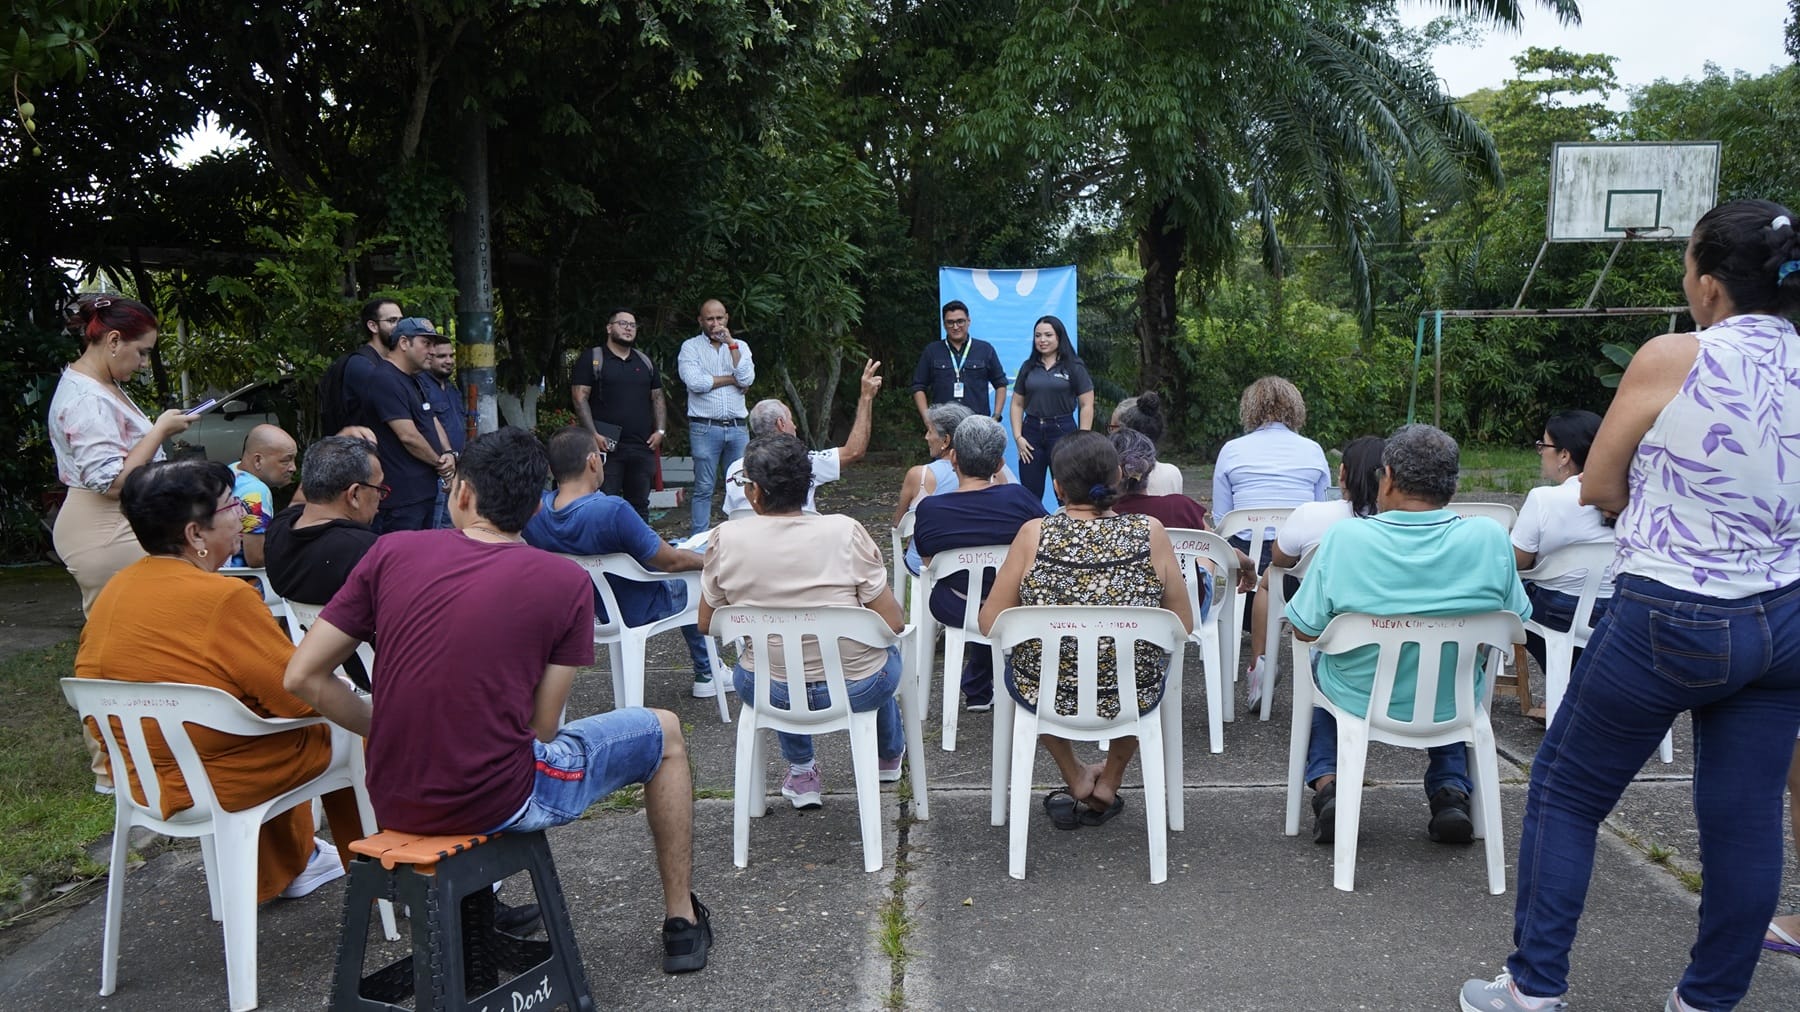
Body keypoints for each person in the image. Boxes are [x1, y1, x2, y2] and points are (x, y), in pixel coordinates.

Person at [1461, 200, 1800, 1012]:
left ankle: (1533, 986)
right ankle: (1706, 1000)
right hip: (1784, 620)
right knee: (1746, 819)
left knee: (1568, 791)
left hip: (1672, 610)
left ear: (1711, 286)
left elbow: (1600, 485)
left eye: (1687, 265)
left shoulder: (1674, 356)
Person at [285, 427, 711, 974]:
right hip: (497, 798)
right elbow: (543, 729)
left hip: (393, 795)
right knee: (666, 732)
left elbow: (302, 676)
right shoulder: (562, 582)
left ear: (461, 493)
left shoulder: (390, 552)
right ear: (535, 505)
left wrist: (384, 723)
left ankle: (480, 917)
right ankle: (681, 921)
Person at [78, 458, 359, 903]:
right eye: (233, 507)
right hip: (222, 776)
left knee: (247, 717)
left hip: (145, 777)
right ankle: (390, 871)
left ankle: (291, 862)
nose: (244, 516)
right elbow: (297, 696)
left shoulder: (117, 589)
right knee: (349, 727)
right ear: (195, 534)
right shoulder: (223, 597)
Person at [1289, 424, 1528, 851]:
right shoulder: (1490, 536)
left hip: (1359, 695)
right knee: (1455, 671)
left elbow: (1305, 629)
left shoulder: (1345, 539)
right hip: (1450, 699)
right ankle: (1451, 791)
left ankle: (1329, 785)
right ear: (1452, 486)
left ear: (1389, 477)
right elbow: (1517, 624)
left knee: (1319, 665)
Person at [977, 431, 1193, 828]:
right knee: (1140, 666)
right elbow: (1183, 624)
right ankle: (1109, 779)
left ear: (1056, 487)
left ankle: (1074, 774)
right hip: (1131, 693)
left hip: (1047, 694)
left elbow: (990, 622)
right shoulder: (1151, 532)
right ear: (1117, 477)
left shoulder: (1033, 535)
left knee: (1020, 674)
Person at [698, 433, 908, 810]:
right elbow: (892, 621)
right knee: (884, 652)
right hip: (856, 688)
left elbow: (707, 623)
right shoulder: (845, 532)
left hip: (769, 691)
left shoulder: (725, 539)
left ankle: (802, 770)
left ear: (756, 492)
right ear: (808, 485)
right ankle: (889, 755)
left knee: (772, 659)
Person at [523, 427, 725, 699]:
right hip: (640, 606)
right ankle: (709, 672)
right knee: (697, 565)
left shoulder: (535, 513)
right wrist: (712, 562)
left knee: (684, 548)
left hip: (585, 613)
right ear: (593, 461)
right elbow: (672, 562)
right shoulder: (612, 510)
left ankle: (708, 671)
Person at [48, 294, 194, 615]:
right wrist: (160, 431)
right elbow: (112, 483)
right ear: (114, 340)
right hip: (103, 526)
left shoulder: (102, 384)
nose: (143, 363)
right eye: (142, 352)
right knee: (126, 635)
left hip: (121, 520)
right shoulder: (87, 399)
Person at [1242, 435, 1386, 710]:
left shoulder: (1311, 513)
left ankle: (1260, 663)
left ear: (1342, 473)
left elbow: (1280, 557)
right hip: (1374, 605)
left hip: (1314, 606)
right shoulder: (1394, 522)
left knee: (1269, 578)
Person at [913, 415, 1047, 711]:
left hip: (955, 605)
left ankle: (978, 687)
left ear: (954, 458)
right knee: (994, 592)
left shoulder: (931, 509)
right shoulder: (1019, 498)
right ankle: (987, 682)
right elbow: (1044, 546)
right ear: (1000, 464)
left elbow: (929, 562)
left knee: (972, 591)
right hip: (1014, 604)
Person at [1511, 410, 1613, 675]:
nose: (1540, 452)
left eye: (1543, 445)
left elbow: (1518, 561)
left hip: (1558, 612)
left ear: (1564, 455)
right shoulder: (1625, 494)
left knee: (1505, 592)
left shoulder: (1544, 498)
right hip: (1614, 612)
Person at [720, 360, 883, 516]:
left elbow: (732, 513)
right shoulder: (801, 462)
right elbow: (854, 451)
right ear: (781, 423)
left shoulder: (734, 469)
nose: (795, 426)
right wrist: (866, 398)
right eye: (791, 419)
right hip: (796, 540)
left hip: (749, 542)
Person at [1211, 375, 1331, 566]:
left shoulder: (1231, 450)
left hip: (1247, 556)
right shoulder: (1313, 450)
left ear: (1250, 409)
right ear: (1295, 409)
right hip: (1300, 557)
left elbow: (1221, 519)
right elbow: (1323, 509)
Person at [353, 317, 455, 533]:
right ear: (404, 343)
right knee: (403, 562)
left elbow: (432, 419)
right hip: (401, 498)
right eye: (426, 343)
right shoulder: (385, 379)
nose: (432, 351)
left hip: (425, 491)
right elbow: (408, 436)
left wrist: (448, 452)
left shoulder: (415, 378)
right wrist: (441, 464)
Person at [263, 435, 383, 606]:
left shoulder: (278, 528)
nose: (380, 498)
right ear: (354, 494)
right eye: (378, 489)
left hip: (301, 631)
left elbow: (298, 501)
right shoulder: (369, 551)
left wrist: (330, 453)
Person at [571, 308, 666, 522]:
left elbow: (658, 397)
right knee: (604, 503)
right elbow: (579, 397)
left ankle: (641, 553)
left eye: (632, 325)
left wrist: (660, 430)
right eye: (623, 323)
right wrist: (592, 434)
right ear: (609, 328)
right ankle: (608, 553)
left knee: (640, 504)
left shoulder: (644, 361)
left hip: (642, 445)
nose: (628, 328)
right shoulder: (593, 359)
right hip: (606, 447)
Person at [677, 299, 755, 535]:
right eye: (709, 319)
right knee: (703, 487)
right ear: (701, 320)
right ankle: (699, 540)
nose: (715, 323)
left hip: (737, 427)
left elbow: (748, 379)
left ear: (727, 318)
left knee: (743, 484)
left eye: (719, 318)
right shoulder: (690, 347)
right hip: (704, 428)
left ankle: (743, 536)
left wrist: (731, 344)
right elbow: (696, 383)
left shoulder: (740, 345)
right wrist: (731, 379)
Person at [1009, 315, 1095, 501]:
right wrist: (1018, 437)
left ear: (1059, 337)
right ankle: (1034, 528)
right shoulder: (1028, 367)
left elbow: (1086, 404)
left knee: (1067, 490)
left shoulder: (1074, 366)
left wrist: (1082, 439)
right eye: (1038, 335)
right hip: (1031, 432)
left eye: (1048, 335)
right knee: (1030, 494)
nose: (1042, 340)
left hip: (1062, 431)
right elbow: (1016, 403)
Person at [910, 300, 1009, 426]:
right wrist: (928, 421)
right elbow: (918, 386)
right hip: (942, 426)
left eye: (960, 321)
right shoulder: (932, 351)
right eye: (950, 322)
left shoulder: (985, 349)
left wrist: (995, 417)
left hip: (977, 426)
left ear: (968, 321)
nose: (955, 327)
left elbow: (1001, 384)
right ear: (944, 324)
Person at [318, 297, 404, 437]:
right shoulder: (361, 365)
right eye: (392, 321)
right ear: (373, 326)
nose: (400, 326)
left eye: (401, 321)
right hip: (364, 449)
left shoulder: (385, 361)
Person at [226, 424, 299, 568]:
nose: (293, 468)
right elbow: (256, 557)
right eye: (285, 461)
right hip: (240, 578)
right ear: (258, 460)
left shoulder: (232, 470)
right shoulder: (256, 492)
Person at [418, 340, 466, 529]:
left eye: (451, 355)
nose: (449, 360)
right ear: (429, 357)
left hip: (455, 471)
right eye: (442, 356)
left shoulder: (452, 389)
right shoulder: (421, 387)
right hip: (436, 472)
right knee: (436, 530)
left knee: (451, 527)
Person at [1109, 392, 1182, 495]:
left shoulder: (1114, 478)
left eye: (1114, 428)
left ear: (1127, 435)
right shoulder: (1173, 473)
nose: (1111, 434)